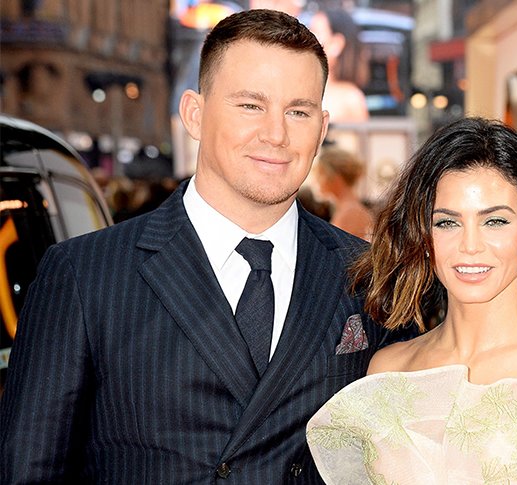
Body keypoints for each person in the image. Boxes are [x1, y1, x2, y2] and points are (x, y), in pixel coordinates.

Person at [0, 9, 411, 483]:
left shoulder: (368, 275)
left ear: (321, 128)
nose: (276, 134)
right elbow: (29, 472)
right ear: (194, 114)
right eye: (250, 106)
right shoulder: (85, 275)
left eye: (297, 111)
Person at [306, 117, 517, 484]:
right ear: (423, 232)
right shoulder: (389, 370)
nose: (470, 246)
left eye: (495, 221)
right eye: (447, 223)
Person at [308, 8, 370, 123]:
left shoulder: (351, 99)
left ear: (336, 43)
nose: (306, 40)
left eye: (314, 33)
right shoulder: (298, 88)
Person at [313, 146, 374, 240]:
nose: (317, 181)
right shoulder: (348, 209)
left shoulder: (350, 212)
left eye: (320, 174)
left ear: (335, 176)